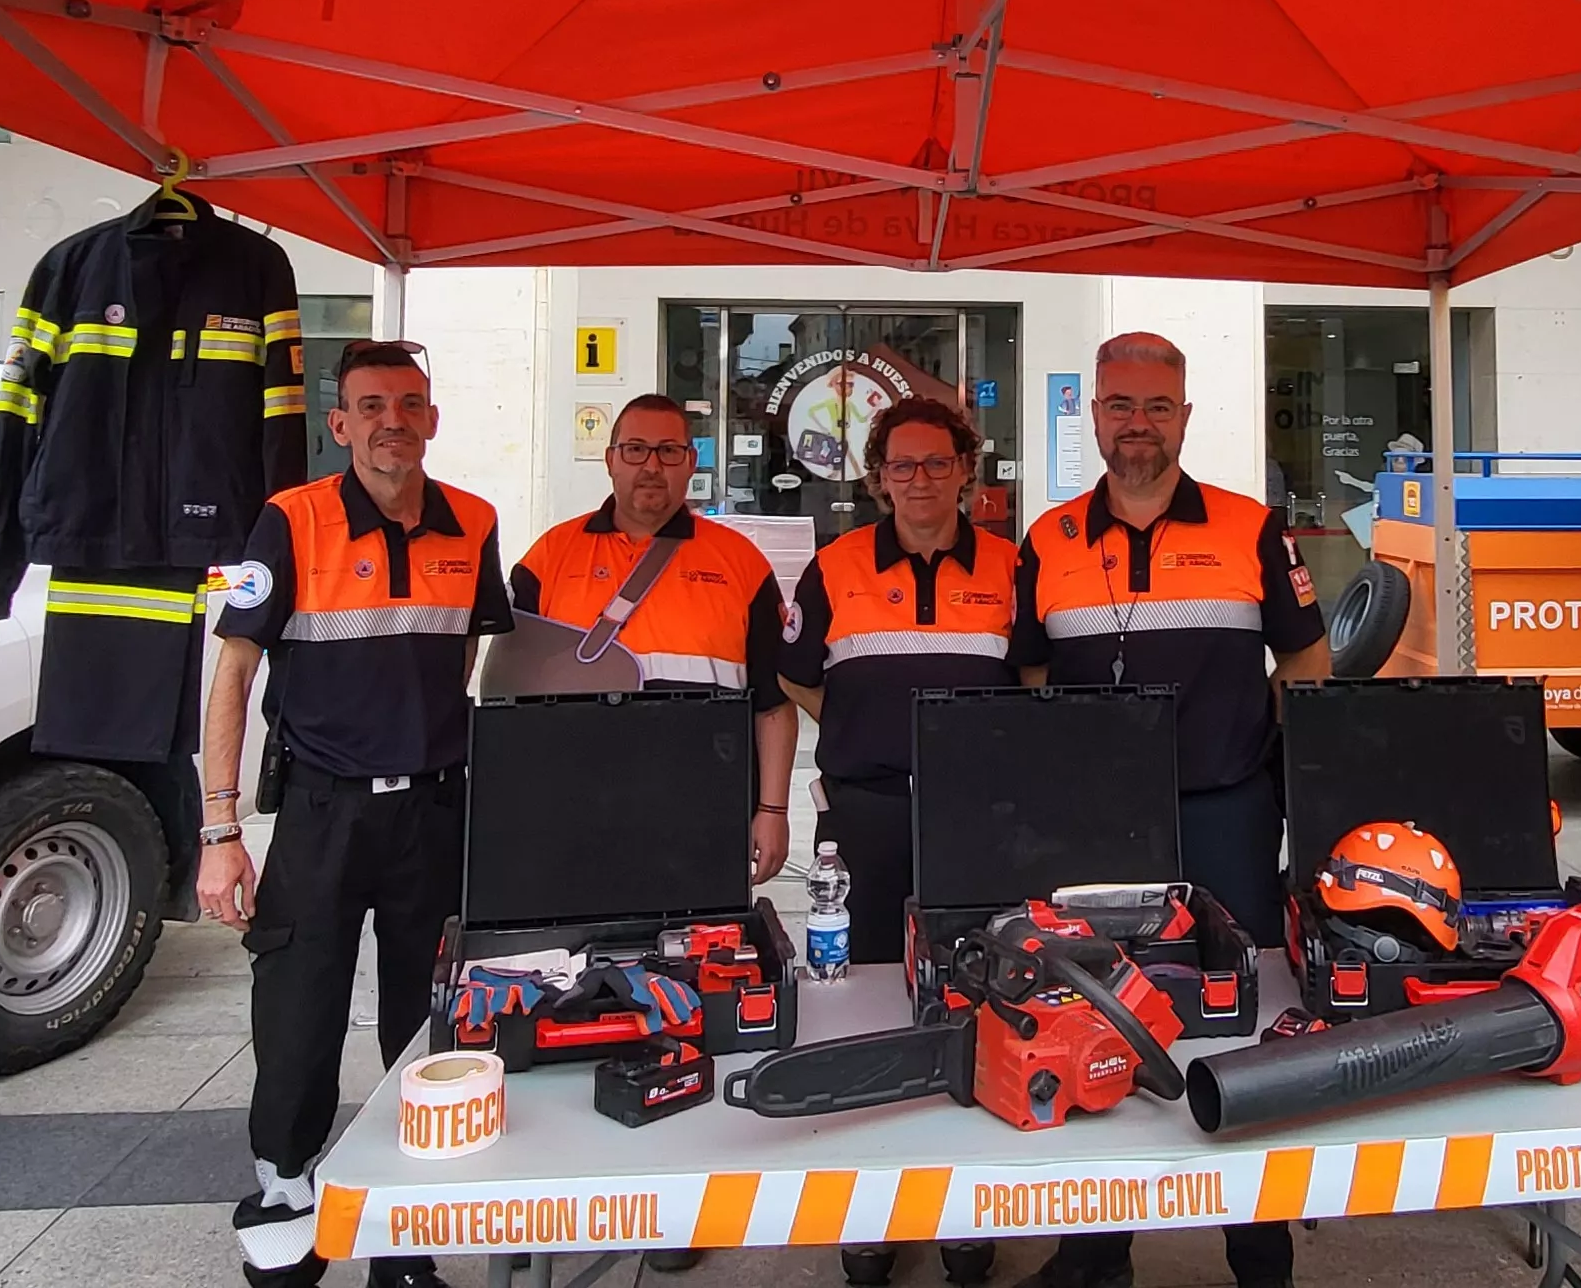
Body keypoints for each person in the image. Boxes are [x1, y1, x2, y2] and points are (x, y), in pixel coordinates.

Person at [1011, 333, 1331, 1288]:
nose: (1137, 423)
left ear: (1184, 416)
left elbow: (1308, 668)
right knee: (1093, 1017)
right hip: (1097, 830)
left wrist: (1267, 769)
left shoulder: (1251, 527)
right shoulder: (1050, 537)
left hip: (1228, 813)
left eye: (1156, 405)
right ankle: (1094, 1254)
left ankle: (1258, 1253)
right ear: (1094, 414)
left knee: (1240, 1022)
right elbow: (1031, 673)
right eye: (1119, 404)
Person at [199, 341, 512, 1288]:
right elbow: (234, 675)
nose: (392, 421)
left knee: (426, 1023)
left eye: (410, 403)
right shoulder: (289, 521)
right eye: (371, 405)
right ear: (339, 425)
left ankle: (402, 1218)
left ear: (431, 419)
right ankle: (286, 1190)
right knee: (300, 1010)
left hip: (435, 811)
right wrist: (220, 833)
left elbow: (461, 655)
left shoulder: (476, 521)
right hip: (323, 811)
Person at [509, 392, 802, 1279]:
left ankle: (679, 1197)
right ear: (610, 458)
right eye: (635, 449)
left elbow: (772, 700)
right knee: (569, 996)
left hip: (699, 823)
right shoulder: (547, 557)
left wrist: (773, 806)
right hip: (574, 824)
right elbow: (502, 696)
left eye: (669, 452)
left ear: (692, 462)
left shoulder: (739, 561)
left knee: (691, 997)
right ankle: (552, 1184)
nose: (651, 468)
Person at [779, 395, 1008, 1288]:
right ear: (877, 479)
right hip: (865, 815)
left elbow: (1031, 680)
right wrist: (861, 729)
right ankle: (870, 1215)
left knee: (975, 1007)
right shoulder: (833, 567)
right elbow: (795, 676)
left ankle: (963, 1213)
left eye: (937, 463)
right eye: (902, 465)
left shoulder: (1010, 565)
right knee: (866, 1007)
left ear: (964, 471)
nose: (920, 479)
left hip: (979, 820)